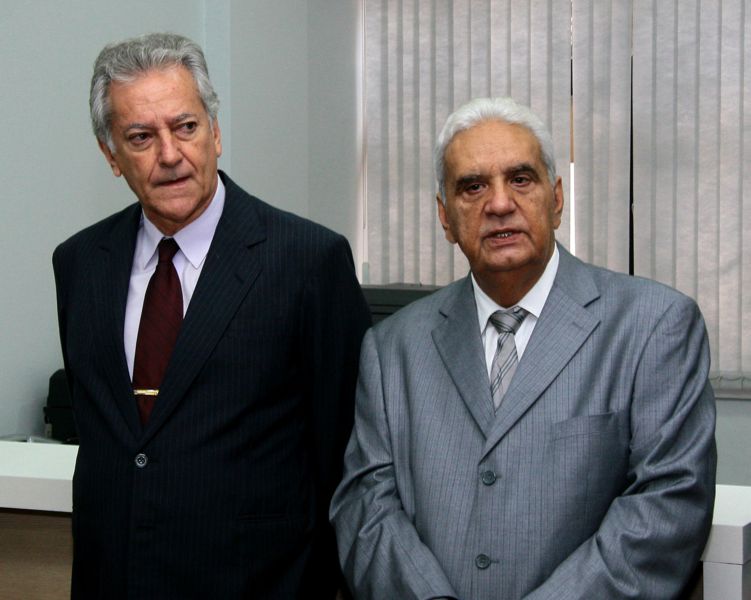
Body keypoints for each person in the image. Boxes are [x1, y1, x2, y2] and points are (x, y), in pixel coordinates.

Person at [330, 97, 716, 599]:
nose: (498, 204)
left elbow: (667, 505)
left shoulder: (653, 326)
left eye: (520, 179)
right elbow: (366, 505)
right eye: (472, 186)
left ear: (556, 199)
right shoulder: (392, 349)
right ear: (445, 217)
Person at [53, 32, 371, 599]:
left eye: (186, 127)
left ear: (216, 133)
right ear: (111, 155)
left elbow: (344, 457)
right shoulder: (80, 263)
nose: (169, 154)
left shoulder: (306, 260)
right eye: (141, 137)